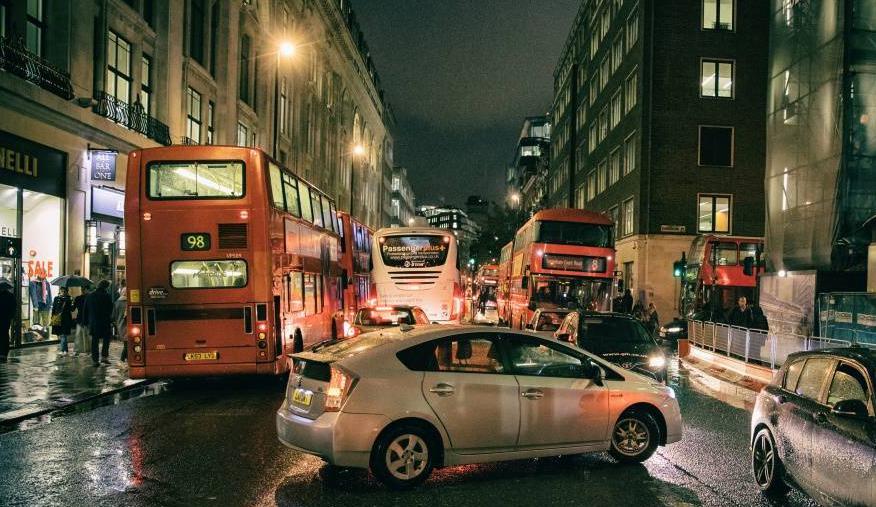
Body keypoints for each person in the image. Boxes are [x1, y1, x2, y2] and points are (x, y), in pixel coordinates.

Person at [86, 280, 114, 366]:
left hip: (94, 322)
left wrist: (86, 321)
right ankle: (104, 357)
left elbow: (86, 309)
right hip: (105, 321)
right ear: (106, 287)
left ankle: (95, 360)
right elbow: (110, 309)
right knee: (106, 340)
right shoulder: (107, 296)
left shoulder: (90, 295)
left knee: (95, 341)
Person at [50, 287, 75, 356]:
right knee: (61, 335)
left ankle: (62, 350)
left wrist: (72, 302)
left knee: (63, 335)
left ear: (67, 292)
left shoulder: (69, 299)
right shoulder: (56, 298)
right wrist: (52, 318)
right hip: (57, 319)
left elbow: (72, 309)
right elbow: (54, 309)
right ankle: (65, 350)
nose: (62, 292)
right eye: (61, 291)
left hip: (66, 319)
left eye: (64, 291)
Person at [73, 285, 91, 357]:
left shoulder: (89, 297)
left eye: (84, 289)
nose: (82, 290)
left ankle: (88, 351)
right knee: (78, 336)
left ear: (87, 289)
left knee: (86, 335)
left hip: (86, 319)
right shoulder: (78, 298)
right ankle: (78, 351)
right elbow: (73, 308)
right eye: (82, 289)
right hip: (81, 319)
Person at [112, 288, 128, 362]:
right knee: (127, 344)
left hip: (120, 325)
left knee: (126, 343)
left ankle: (126, 359)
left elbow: (113, 316)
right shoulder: (128, 302)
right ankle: (122, 360)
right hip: (127, 325)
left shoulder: (117, 302)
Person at [0, 284, 15, 361]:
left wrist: (10, 316)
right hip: (6, 319)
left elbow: (13, 308)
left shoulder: (10, 296)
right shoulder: (10, 295)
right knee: (4, 335)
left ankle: (3, 353)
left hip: (5, 319)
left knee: (4, 335)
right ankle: (3, 353)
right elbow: (13, 308)